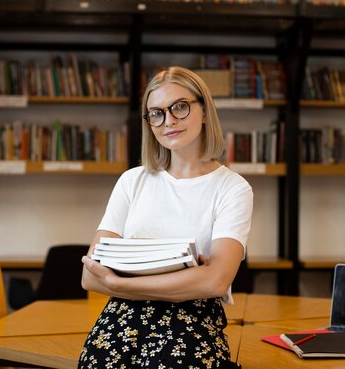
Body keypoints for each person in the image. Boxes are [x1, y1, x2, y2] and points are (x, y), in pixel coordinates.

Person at [79, 66, 253, 368]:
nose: (168, 120)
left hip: (193, 322)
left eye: (180, 107)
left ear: (203, 109)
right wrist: (188, 276)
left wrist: (120, 283)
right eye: (156, 113)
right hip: (120, 320)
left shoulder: (233, 188)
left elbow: (215, 281)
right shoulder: (132, 181)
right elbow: (90, 275)